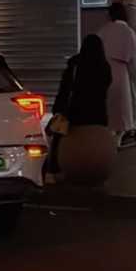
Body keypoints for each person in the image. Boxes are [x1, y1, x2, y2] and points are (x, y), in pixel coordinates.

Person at [49, 31, 113, 179]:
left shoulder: (75, 64)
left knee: (58, 139)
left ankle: (53, 169)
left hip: (74, 112)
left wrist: (58, 108)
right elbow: (106, 86)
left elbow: (65, 88)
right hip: (98, 114)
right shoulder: (104, 66)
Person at [95, 1, 136, 147]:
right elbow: (133, 57)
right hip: (121, 72)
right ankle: (119, 138)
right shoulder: (128, 31)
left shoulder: (103, 31)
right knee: (122, 108)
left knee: (109, 106)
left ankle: (109, 137)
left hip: (104, 71)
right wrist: (135, 72)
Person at [109, 0, 136, 146]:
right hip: (127, 61)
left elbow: (133, 36)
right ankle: (131, 129)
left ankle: (133, 130)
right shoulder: (127, 9)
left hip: (128, 61)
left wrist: (129, 59)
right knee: (128, 96)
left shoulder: (129, 10)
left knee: (131, 96)